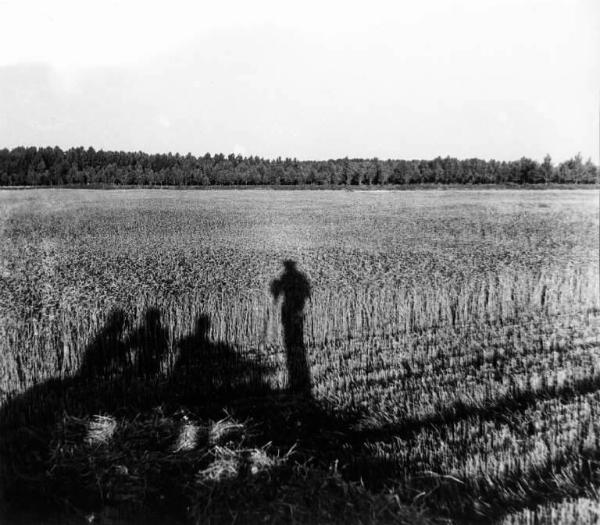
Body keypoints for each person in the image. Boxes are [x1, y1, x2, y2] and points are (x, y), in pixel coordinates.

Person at [270, 260, 312, 395]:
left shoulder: (284, 277)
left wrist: (274, 287)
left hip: (289, 307)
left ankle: (293, 348)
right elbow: (307, 292)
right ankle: (297, 348)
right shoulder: (301, 276)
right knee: (297, 330)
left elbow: (276, 294)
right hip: (298, 307)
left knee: (289, 331)